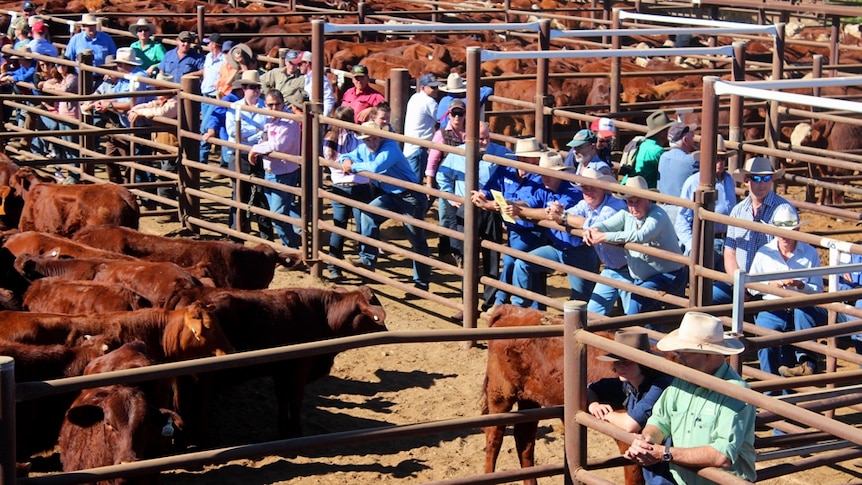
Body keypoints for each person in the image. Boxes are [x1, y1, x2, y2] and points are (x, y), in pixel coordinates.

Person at [625, 311, 756, 485]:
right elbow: (660, 420)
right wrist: (648, 440)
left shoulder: (736, 393)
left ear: (708, 355)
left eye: (684, 354)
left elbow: (721, 455)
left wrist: (664, 453)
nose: (680, 359)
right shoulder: (683, 380)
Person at [339, 120, 431, 295]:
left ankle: (421, 283)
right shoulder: (365, 148)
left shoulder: (390, 147)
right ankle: (367, 260)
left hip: (410, 197)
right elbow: (347, 155)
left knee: (416, 238)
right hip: (392, 195)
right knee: (368, 213)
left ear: (380, 136)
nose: (371, 143)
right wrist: (346, 160)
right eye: (367, 140)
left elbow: (376, 167)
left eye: (374, 139)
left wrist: (352, 167)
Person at [436, 121, 514, 318]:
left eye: (487, 136)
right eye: (480, 138)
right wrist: (451, 196)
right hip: (467, 207)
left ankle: (490, 304)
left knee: (493, 256)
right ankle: (468, 303)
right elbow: (442, 176)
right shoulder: (458, 153)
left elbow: (511, 178)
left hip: (491, 208)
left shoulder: (502, 152)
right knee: (467, 257)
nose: (485, 141)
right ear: (468, 138)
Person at [505, 151, 597, 307]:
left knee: (581, 300)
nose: (544, 178)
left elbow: (548, 214)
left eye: (549, 174)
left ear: (560, 174)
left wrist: (519, 212)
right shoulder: (545, 188)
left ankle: (586, 325)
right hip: (559, 247)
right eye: (542, 174)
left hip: (579, 251)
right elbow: (530, 202)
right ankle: (518, 307)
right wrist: (510, 204)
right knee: (522, 263)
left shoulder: (572, 192)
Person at [584, 176, 687, 316]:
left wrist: (604, 236)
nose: (633, 206)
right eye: (629, 201)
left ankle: (643, 335)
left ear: (648, 199)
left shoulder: (657, 215)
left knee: (636, 306)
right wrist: (593, 230)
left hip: (667, 275)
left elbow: (641, 236)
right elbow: (606, 225)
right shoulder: (627, 213)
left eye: (637, 201)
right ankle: (652, 337)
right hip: (644, 277)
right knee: (647, 315)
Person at [587, 331, 674, 484]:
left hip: (671, 462)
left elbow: (631, 424)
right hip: (657, 460)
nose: (620, 366)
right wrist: (593, 405)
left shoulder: (660, 385)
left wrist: (606, 414)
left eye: (627, 362)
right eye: (617, 361)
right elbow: (589, 388)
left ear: (643, 363)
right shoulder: (627, 384)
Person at [748, 205, 825, 378]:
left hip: (802, 309)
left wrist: (800, 286)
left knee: (799, 314)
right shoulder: (764, 253)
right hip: (772, 307)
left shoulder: (810, 253)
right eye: (780, 231)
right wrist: (769, 285)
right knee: (764, 340)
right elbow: (752, 287)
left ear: (797, 230)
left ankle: (804, 364)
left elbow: (818, 290)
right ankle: (770, 387)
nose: (784, 236)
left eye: (789, 231)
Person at [471, 137, 547, 308]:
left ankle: (500, 301)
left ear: (537, 158)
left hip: (533, 230)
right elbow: (490, 188)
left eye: (529, 157)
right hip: (515, 229)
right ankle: (535, 308)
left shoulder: (542, 177)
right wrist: (482, 195)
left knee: (511, 261)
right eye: (522, 157)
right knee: (526, 267)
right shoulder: (506, 169)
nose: (525, 161)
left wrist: (496, 205)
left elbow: (531, 202)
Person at [713, 157, 797, 304]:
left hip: (771, 284)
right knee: (710, 295)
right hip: (740, 281)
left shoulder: (784, 211)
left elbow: (788, 253)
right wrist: (738, 283)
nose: (762, 183)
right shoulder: (738, 211)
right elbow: (730, 252)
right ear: (747, 180)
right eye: (757, 178)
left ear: (772, 180)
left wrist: (761, 286)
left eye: (767, 178)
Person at [248, 89, 304, 249]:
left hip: (284, 173)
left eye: (277, 104)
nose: (273, 108)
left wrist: (255, 149)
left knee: (278, 215)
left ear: (282, 103)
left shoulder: (289, 121)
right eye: (270, 105)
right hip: (271, 171)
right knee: (280, 210)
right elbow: (263, 137)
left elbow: (279, 146)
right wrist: (258, 145)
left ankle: (292, 248)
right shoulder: (268, 119)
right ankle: (299, 235)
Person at [323, 106, 373, 281]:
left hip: (340, 184)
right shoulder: (359, 137)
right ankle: (366, 266)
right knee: (363, 227)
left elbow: (329, 161)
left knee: (339, 227)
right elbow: (366, 158)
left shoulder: (329, 139)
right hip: (360, 184)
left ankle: (333, 266)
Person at [674, 135, 737, 268]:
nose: (719, 162)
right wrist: (692, 246)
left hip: (728, 242)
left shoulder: (729, 180)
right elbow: (682, 220)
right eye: (715, 158)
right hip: (704, 242)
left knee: (725, 284)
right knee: (701, 283)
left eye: (722, 158)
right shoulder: (693, 182)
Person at [224, 70, 272, 240]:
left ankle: (265, 237)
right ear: (243, 88)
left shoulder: (264, 108)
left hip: (258, 157)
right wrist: (257, 133)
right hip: (240, 156)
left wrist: (251, 133)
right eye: (252, 87)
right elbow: (234, 131)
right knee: (239, 196)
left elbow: (265, 130)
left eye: (257, 87)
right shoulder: (234, 107)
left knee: (260, 197)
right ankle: (236, 234)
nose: (256, 90)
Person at [97, 48, 154, 186]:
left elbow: (133, 105)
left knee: (140, 166)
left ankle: (147, 199)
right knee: (127, 162)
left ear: (124, 64)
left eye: (118, 64)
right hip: (127, 126)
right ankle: (125, 191)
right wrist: (107, 103)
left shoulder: (138, 78)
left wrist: (109, 105)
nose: (116, 67)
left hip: (140, 127)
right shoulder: (126, 78)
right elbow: (119, 99)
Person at [128, 72, 179, 220]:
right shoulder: (163, 100)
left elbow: (162, 113)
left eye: (158, 88)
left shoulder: (174, 102)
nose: (155, 92)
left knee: (165, 179)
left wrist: (140, 112)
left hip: (172, 147)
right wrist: (136, 110)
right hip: (164, 147)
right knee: (164, 177)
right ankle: (168, 209)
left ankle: (168, 211)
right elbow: (147, 106)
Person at [427, 98, 468, 261]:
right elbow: (433, 159)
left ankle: (461, 254)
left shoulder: (471, 133)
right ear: (449, 114)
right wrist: (429, 182)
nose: (457, 117)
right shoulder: (441, 134)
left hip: (465, 181)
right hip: (446, 180)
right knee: (446, 217)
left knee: (462, 218)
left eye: (460, 113)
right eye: (454, 113)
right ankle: (445, 251)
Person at [403, 73, 442, 181]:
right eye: (433, 87)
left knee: (412, 179)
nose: (436, 90)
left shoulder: (415, 97)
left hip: (410, 145)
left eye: (437, 87)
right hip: (419, 146)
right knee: (415, 182)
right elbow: (441, 119)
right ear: (423, 88)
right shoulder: (430, 102)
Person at [657, 122, 698, 224]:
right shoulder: (692, 161)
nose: (694, 137)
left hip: (663, 209)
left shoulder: (663, 157)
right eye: (692, 135)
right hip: (682, 212)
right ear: (685, 140)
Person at [199, 33, 228, 163]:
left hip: (216, 96)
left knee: (206, 126)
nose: (208, 45)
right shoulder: (209, 56)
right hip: (205, 95)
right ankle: (204, 158)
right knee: (211, 126)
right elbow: (206, 72)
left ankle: (202, 158)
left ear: (214, 44)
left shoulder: (225, 59)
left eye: (209, 43)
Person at [632, 111, 674, 188]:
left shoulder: (644, 144)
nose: (672, 131)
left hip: (639, 187)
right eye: (669, 129)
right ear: (662, 133)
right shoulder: (657, 151)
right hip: (649, 191)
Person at [291, 50, 334, 117]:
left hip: (316, 117)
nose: (298, 67)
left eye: (300, 64)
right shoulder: (306, 78)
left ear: (307, 63)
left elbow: (328, 100)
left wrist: (322, 119)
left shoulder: (320, 79)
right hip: (309, 115)